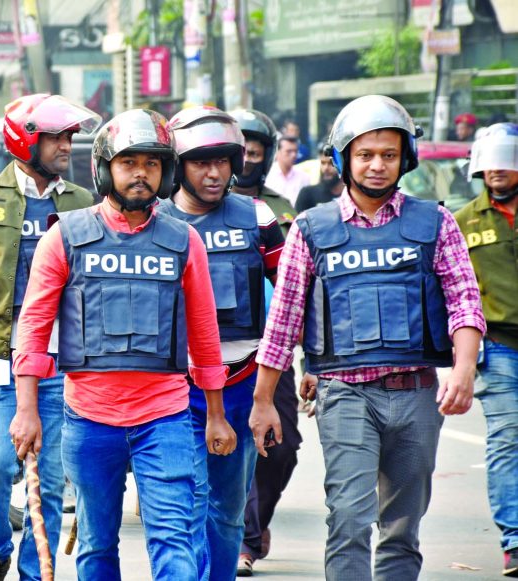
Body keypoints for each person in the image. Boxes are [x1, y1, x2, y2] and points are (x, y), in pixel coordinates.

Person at [250, 95, 485, 581]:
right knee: (350, 520)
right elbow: (285, 320)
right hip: (346, 395)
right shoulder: (312, 229)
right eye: (365, 154)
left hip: (417, 393)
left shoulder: (436, 223)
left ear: (405, 160)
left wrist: (463, 371)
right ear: (343, 159)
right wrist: (264, 399)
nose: (377, 165)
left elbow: (465, 300)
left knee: (402, 529)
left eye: (389, 155)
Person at [9, 108, 233, 580]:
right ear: (105, 167)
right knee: (95, 545)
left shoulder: (184, 241)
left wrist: (215, 415)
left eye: (151, 163)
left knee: (174, 540)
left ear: (165, 170)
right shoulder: (64, 237)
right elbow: (32, 328)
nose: (140, 174)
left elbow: (204, 335)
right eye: (129, 162)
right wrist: (26, 409)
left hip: (166, 418)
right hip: (89, 421)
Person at [0, 93, 101, 580]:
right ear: (25, 140)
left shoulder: (83, 203)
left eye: (69, 137)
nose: (65, 146)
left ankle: (38, 571)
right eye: (56, 136)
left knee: (51, 481)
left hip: (60, 359)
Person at [158, 106, 284, 580]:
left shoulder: (258, 216)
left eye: (223, 161)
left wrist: (306, 363)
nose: (214, 173)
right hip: (174, 388)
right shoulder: (155, 219)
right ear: (178, 165)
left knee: (227, 511)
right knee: (184, 505)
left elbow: (293, 294)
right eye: (199, 162)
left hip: (242, 383)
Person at [229, 107, 303, 575]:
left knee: (282, 447)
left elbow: (302, 282)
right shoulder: (186, 207)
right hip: (212, 349)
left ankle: (256, 524)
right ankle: (244, 540)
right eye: (242, 150)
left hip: (272, 347)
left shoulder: (282, 210)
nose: (248, 158)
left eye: (257, 151)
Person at [454, 122, 518, 578]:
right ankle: (515, 541)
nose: (498, 169)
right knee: (507, 444)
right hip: (499, 349)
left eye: (507, 158)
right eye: (490, 159)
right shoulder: (463, 222)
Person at [295, 144, 343, 213]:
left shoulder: (353, 196)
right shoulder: (307, 194)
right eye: (323, 163)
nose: (325, 168)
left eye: (331, 163)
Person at [263, 136, 310, 206]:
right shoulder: (267, 174)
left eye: (295, 151)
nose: (294, 155)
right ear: (277, 152)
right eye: (289, 151)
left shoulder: (304, 178)